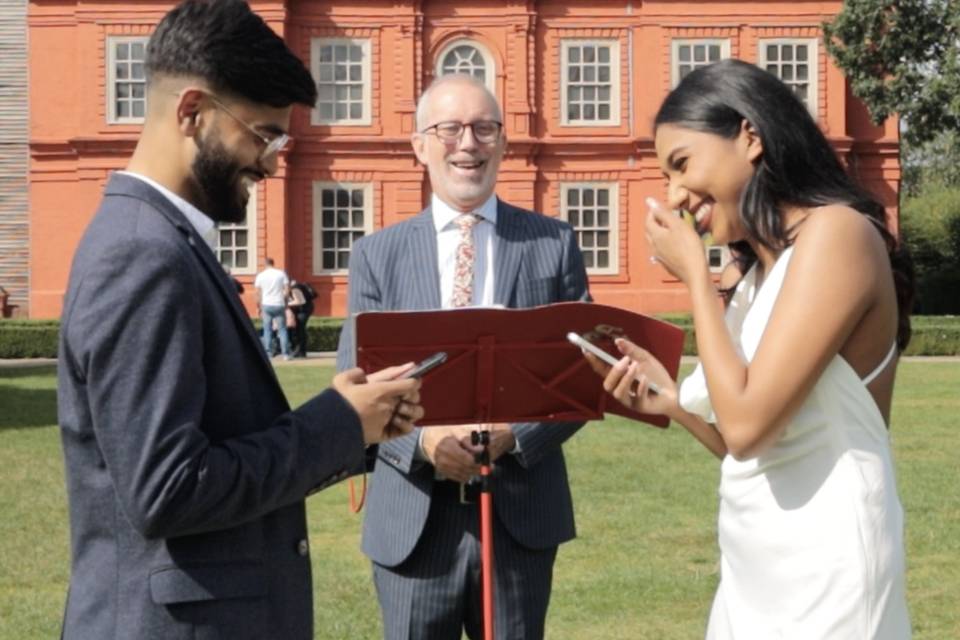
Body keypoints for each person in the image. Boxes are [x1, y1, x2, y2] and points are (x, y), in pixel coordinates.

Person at [56, 2, 424, 639]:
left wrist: (342, 418)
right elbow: (167, 489)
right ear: (191, 112)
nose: (273, 161)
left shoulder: (161, 240)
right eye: (261, 134)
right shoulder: (142, 254)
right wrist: (338, 425)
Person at [585, 59, 913, 638]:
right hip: (754, 560)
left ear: (750, 136)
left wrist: (693, 278)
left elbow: (746, 427)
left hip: (830, 560)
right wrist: (669, 402)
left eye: (682, 165)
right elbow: (756, 451)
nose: (675, 195)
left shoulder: (838, 234)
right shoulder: (757, 276)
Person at [335, 74, 591, 640]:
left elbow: (581, 375)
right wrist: (425, 443)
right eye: (448, 128)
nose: (467, 143)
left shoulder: (553, 243)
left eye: (484, 128)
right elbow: (354, 385)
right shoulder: (377, 256)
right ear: (420, 145)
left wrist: (516, 435)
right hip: (413, 520)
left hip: (518, 515)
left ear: (502, 141)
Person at [255, 256, 292, 360]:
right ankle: (285, 354)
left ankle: (268, 353)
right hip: (279, 303)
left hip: (266, 304)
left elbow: (257, 293)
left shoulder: (261, 275)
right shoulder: (281, 274)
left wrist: (258, 306)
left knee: (267, 330)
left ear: (265, 264)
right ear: (273, 263)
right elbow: (287, 290)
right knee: (282, 330)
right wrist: (285, 303)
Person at [287, 278, 317, 357]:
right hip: (306, 308)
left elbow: (300, 301)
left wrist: (287, 304)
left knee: (300, 329)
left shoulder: (295, 288)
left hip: (304, 310)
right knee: (300, 329)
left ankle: (301, 351)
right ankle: (300, 351)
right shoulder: (297, 286)